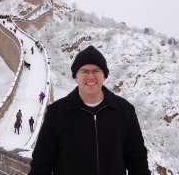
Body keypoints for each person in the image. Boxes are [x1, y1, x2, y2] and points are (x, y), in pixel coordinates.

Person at [29, 45, 151, 175]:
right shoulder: (57, 112)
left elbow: (138, 163)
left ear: (105, 75)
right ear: (75, 76)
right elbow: (41, 165)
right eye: (84, 71)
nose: (91, 77)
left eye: (96, 71)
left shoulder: (124, 111)